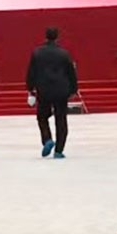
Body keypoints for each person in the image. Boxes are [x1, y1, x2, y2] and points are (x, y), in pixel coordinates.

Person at [24, 26, 78, 158]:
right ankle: (59, 150)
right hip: (61, 90)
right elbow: (71, 72)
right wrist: (73, 89)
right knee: (61, 120)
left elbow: (31, 72)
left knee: (42, 117)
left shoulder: (37, 53)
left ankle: (47, 139)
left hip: (44, 90)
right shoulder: (64, 54)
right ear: (57, 37)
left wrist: (30, 89)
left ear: (46, 36)